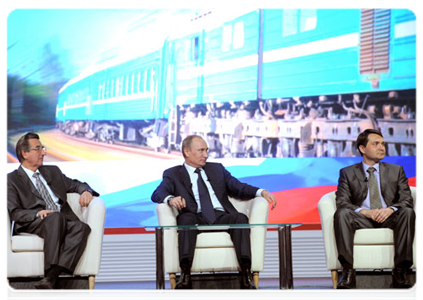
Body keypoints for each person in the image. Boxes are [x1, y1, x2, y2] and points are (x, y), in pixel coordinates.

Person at [151, 135, 277, 291]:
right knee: (185, 220)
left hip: (220, 215)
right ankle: (185, 275)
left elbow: (238, 187)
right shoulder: (173, 174)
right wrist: (170, 199)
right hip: (194, 216)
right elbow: (157, 193)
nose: (206, 155)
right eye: (201, 150)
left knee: (240, 218)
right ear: (187, 152)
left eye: (206, 150)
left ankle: (246, 275)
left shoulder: (216, 169)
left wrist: (261, 192)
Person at [5, 133, 99, 296]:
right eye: (38, 149)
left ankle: (50, 278)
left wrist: (85, 191)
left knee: (82, 227)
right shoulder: (11, 180)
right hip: (34, 222)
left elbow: (76, 184)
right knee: (55, 217)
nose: (44, 152)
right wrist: (37, 213)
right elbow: (15, 213)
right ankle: (52, 278)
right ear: (24, 153)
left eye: (43, 148)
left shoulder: (52, 172)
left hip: (61, 219)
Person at [334, 129, 415, 289]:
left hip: (389, 218)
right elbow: (342, 201)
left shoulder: (396, 170)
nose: (381, 148)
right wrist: (365, 212)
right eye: (375, 144)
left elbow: (406, 199)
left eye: (383, 144)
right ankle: (348, 272)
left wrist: (390, 209)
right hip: (363, 219)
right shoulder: (347, 173)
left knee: (407, 212)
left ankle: (400, 271)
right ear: (362, 149)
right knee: (342, 214)